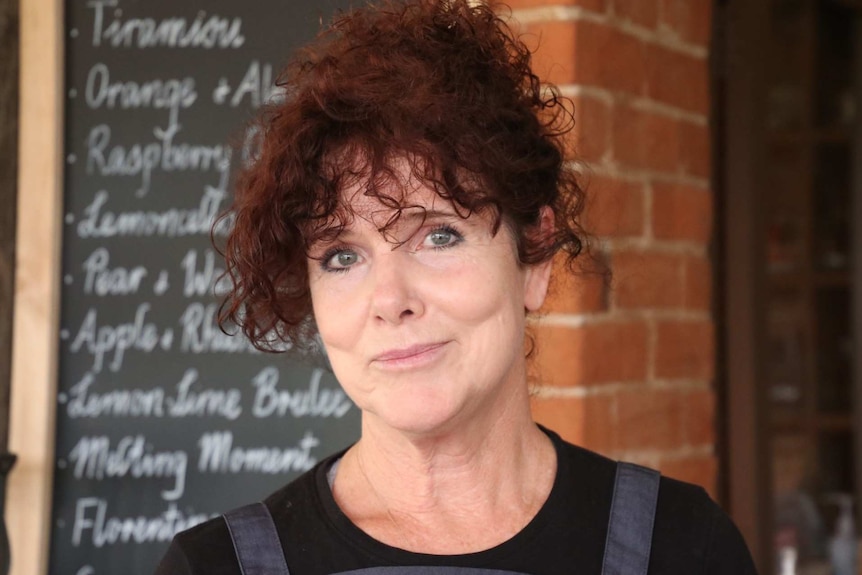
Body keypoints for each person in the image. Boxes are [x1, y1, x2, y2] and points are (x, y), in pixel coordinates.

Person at [154, 1, 758, 573]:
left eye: (438, 236)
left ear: (535, 254)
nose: (391, 300)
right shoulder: (215, 567)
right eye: (342, 256)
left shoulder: (681, 549)